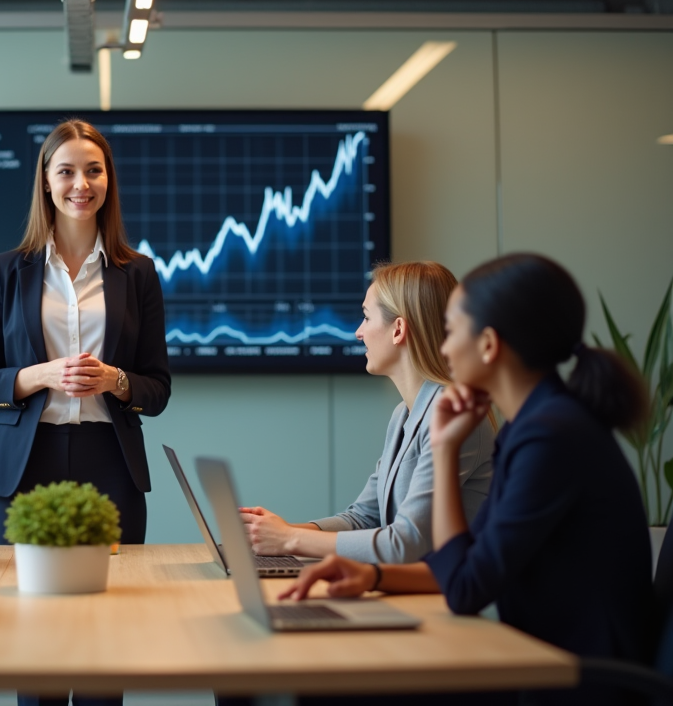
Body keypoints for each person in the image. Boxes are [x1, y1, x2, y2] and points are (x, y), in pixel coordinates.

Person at [282, 253, 657, 706]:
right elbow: (463, 565)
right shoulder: (535, 428)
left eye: (453, 330)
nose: (442, 348)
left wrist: (443, 450)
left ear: (489, 345)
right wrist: (372, 573)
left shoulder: (549, 438)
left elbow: (465, 587)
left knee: (317, 691)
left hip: (571, 681)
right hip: (539, 660)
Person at [0, 119, 171, 706]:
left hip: (112, 466)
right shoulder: (7, 270)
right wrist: (40, 375)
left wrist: (116, 379)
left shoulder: (139, 274)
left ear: (108, 179)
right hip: (25, 470)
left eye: (94, 170)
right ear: (47, 183)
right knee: (37, 650)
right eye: (67, 171)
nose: (82, 183)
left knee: (108, 645)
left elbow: (158, 388)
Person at [238, 261, 496, 564]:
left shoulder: (454, 415)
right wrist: (273, 531)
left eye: (366, 317)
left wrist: (289, 540)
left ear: (398, 329)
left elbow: (405, 543)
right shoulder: (404, 414)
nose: (359, 333)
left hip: (442, 603)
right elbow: (364, 517)